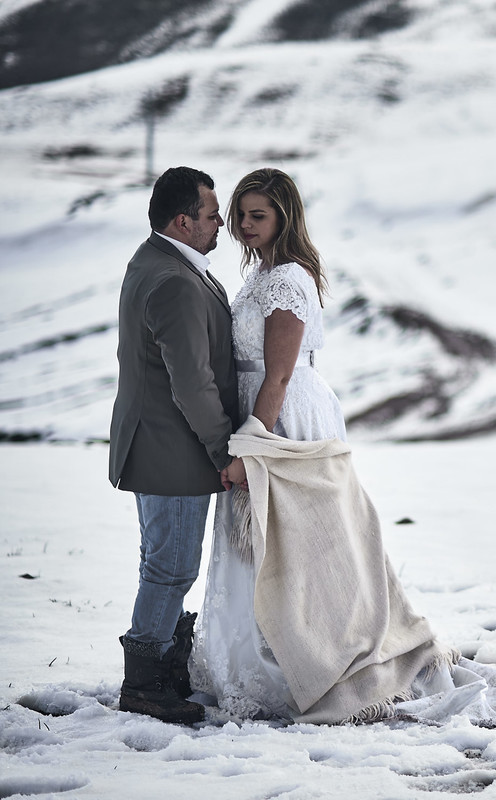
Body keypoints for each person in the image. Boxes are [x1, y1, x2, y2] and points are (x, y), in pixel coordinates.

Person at [189, 168, 496, 725]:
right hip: (259, 408)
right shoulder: (261, 275)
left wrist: (252, 450)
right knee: (269, 546)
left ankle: (316, 659)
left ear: (285, 217)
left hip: (282, 418)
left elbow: (279, 375)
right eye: (239, 214)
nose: (244, 225)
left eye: (257, 215)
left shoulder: (286, 280)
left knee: (301, 544)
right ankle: (269, 659)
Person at [109, 166, 246, 724]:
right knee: (170, 568)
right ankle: (145, 684)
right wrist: (223, 451)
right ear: (183, 222)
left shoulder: (156, 261)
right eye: (212, 215)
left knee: (162, 562)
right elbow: (192, 384)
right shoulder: (174, 281)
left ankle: (164, 662)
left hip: (157, 444)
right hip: (174, 449)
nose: (221, 224)